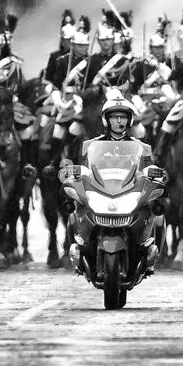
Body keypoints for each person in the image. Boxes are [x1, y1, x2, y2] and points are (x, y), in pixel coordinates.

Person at [68, 93, 159, 267]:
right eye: (115, 117)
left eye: (123, 117)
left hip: (129, 192)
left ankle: (147, 253)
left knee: (157, 213)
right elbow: (84, 169)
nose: (119, 121)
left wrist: (155, 174)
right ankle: (81, 247)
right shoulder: (90, 145)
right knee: (75, 208)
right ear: (106, 120)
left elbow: (148, 169)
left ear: (130, 120)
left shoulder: (143, 148)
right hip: (100, 190)